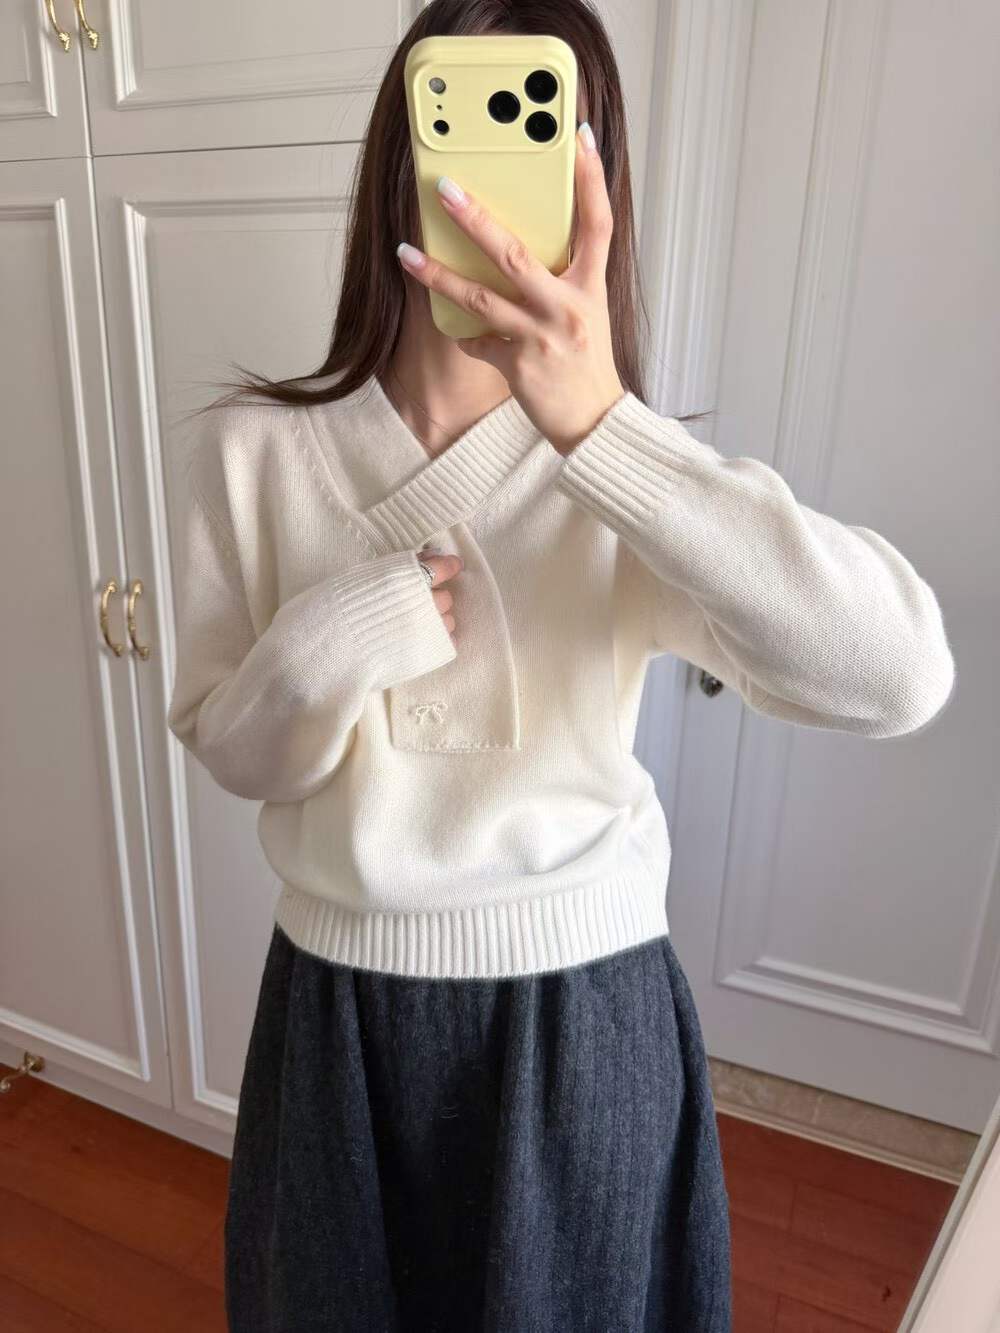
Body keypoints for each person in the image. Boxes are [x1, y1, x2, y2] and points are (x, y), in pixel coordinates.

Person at [166, 2, 956, 1329]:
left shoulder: (626, 471)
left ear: (596, 184)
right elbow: (236, 750)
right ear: (401, 157)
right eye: (456, 123)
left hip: (582, 1026)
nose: (488, 182)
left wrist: (605, 430)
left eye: (533, 131)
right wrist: (333, 640)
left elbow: (900, 673)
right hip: (334, 1022)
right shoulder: (250, 452)